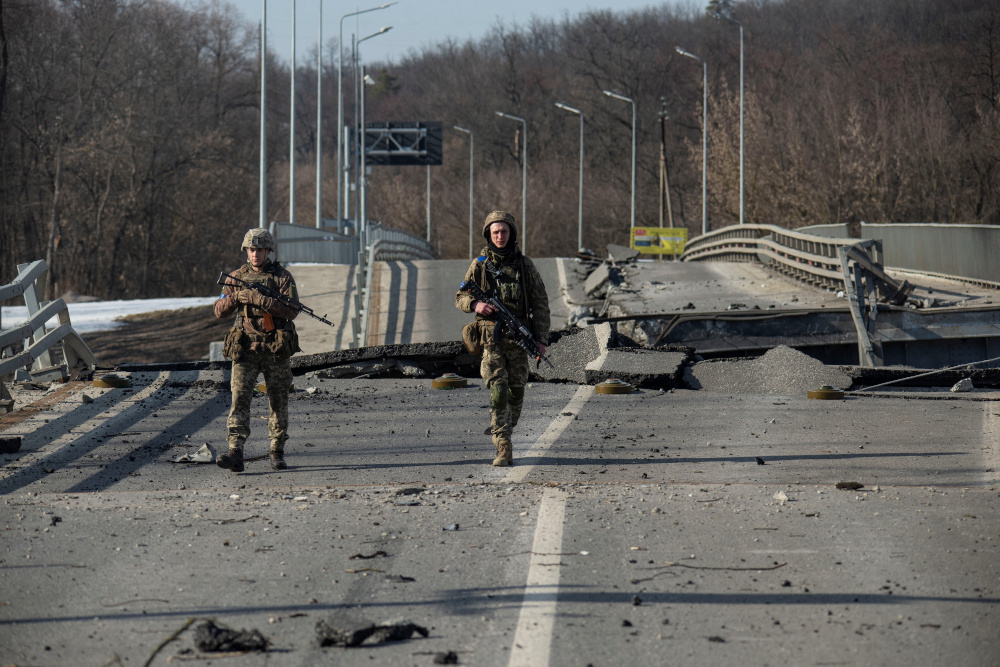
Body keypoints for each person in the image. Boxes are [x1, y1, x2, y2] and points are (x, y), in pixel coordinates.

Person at [455, 210, 550, 466]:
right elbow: (460, 296)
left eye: (504, 231)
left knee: (516, 392)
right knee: (498, 390)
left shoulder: (524, 265)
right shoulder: (480, 265)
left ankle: (504, 430)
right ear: (489, 234)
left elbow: (540, 303)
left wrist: (541, 339)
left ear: (511, 234)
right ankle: (504, 444)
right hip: (492, 340)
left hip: (519, 340)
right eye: (495, 232)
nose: (500, 236)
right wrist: (476, 305)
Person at [214, 228, 301, 472]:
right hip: (245, 350)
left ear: (268, 251)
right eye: (251, 250)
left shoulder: (282, 277)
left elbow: (293, 310)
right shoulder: (235, 277)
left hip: (274, 348)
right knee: (239, 399)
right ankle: (235, 452)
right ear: (246, 251)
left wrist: (263, 301)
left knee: (278, 401)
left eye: (260, 250)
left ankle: (276, 451)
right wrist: (238, 297)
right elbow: (219, 310)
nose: (255, 254)